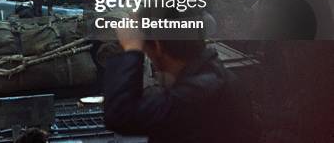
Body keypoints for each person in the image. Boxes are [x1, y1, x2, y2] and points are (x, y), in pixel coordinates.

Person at [104, 23, 252, 142]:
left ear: (157, 46)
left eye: (146, 51)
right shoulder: (212, 75)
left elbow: (120, 115)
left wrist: (131, 50)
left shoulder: (199, 92)